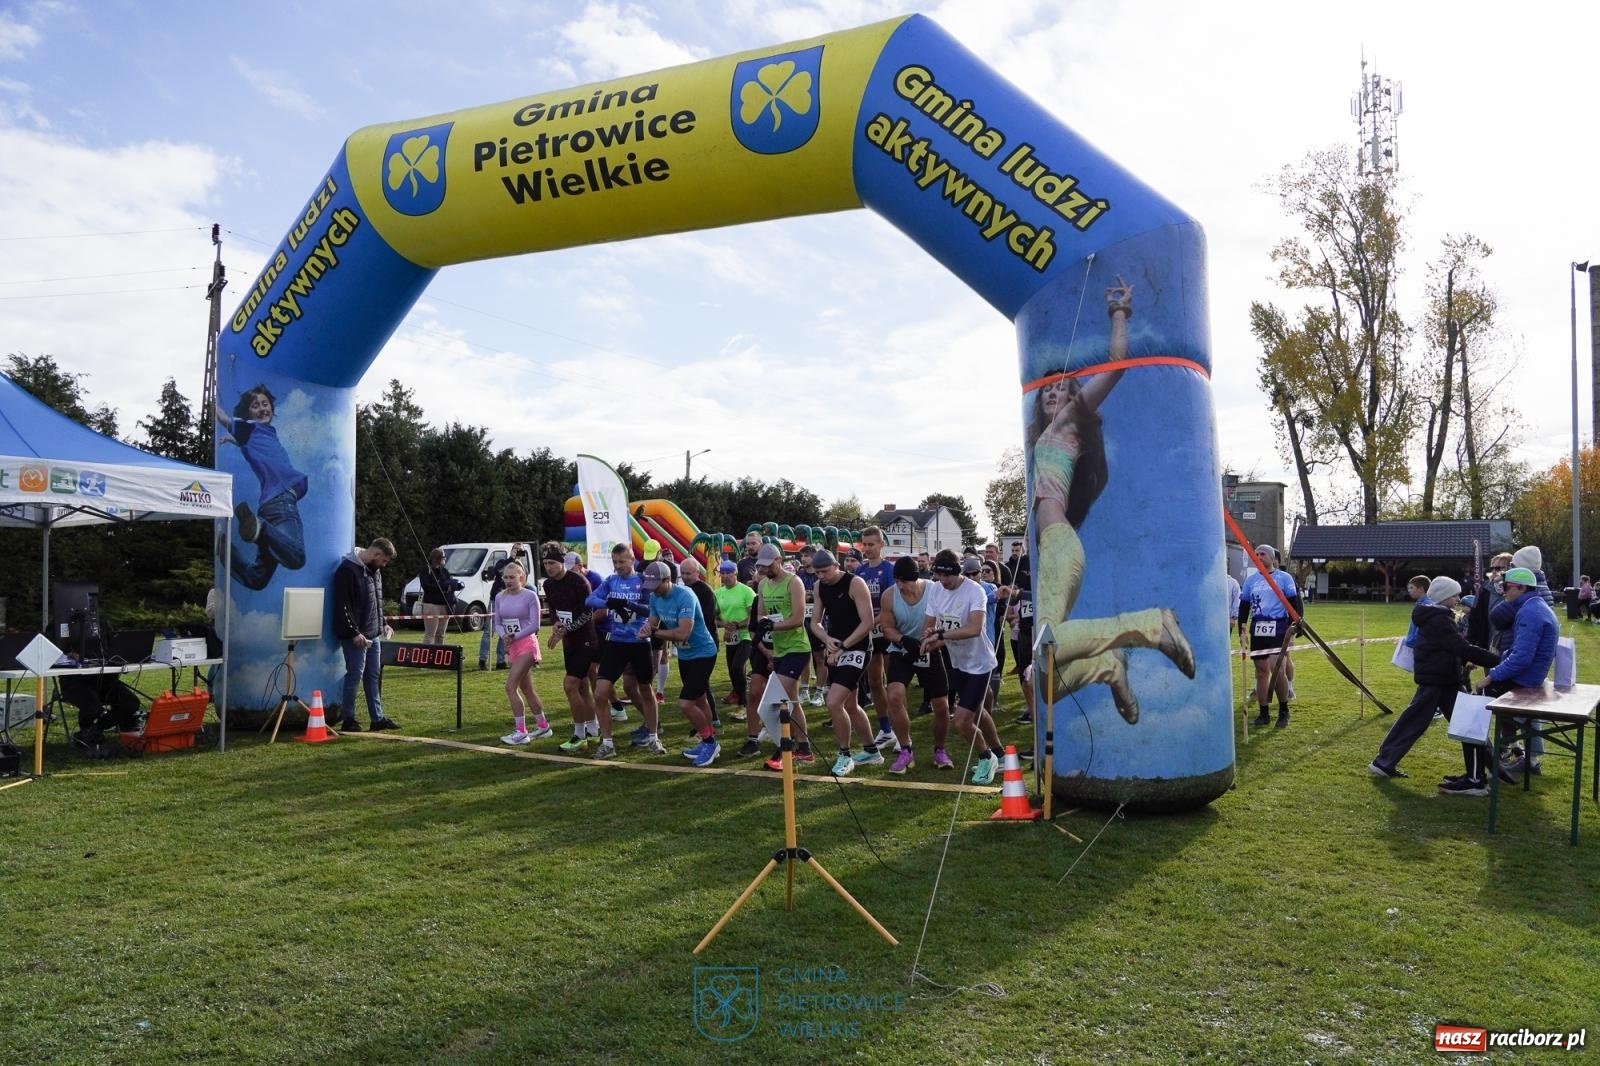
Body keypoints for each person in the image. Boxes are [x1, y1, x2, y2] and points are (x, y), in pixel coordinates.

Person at [1026, 276, 1197, 727]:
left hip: (1060, 544)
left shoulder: (1067, 426)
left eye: (1061, 389)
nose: (1051, 393)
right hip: (1055, 550)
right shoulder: (1045, 438)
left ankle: (1151, 624)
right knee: (1040, 677)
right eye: (1047, 389)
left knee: (1044, 647)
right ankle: (1109, 668)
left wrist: (1118, 312)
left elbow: (1117, 367)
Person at [1368, 577, 1498, 782]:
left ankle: (1493, 767)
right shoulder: (1439, 619)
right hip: (1437, 679)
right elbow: (1460, 647)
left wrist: (1466, 659)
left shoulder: (1438, 616)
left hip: (1443, 679)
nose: (1458, 598)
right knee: (1418, 722)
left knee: (1465, 723)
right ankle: (1383, 762)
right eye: (1454, 595)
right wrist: (1497, 660)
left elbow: (1453, 648)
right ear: (1444, 596)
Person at [922, 549, 1006, 785]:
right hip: (958, 662)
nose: (943, 580)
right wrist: (929, 637)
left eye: (947, 576)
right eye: (939, 575)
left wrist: (941, 634)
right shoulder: (936, 589)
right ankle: (1000, 755)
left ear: (958, 572)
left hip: (980, 663)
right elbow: (929, 624)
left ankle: (985, 757)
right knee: (978, 710)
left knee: (961, 720)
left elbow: (974, 628)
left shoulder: (974, 590)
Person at [217, 384, 307, 591]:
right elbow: (224, 419)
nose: (262, 409)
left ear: (272, 408)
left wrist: (236, 441)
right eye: (255, 406)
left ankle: (225, 551)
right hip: (281, 502)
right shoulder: (250, 427)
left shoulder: (261, 433)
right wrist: (216, 408)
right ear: (248, 413)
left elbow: (255, 448)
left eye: (265, 404)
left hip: (268, 506)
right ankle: (260, 528)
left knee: (257, 579)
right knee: (297, 558)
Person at [736, 543, 815, 768]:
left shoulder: (794, 582)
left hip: (798, 647)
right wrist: (763, 629)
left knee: (776, 698)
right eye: (762, 566)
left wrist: (771, 626)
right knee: (790, 699)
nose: (765, 569)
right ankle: (802, 748)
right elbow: (760, 613)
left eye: (769, 565)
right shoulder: (762, 585)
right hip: (779, 648)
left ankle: (784, 747)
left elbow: (798, 619)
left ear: (779, 560)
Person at [1481, 566, 1561, 778]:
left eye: (1506, 587)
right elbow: (1518, 652)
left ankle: (1485, 767)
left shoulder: (1529, 612)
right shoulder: (1535, 606)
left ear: (1522, 587)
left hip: (1525, 680)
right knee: (1502, 712)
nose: (1503, 591)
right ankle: (1514, 752)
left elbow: (1522, 658)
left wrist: (1491, 675)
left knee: (1477, 702)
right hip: (1532, 676)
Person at [639, 561, 721, 767]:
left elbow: (683, 633)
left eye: (656, 585)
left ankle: (710, 743)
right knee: (700, 700)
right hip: (686, 656)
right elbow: (653, 622)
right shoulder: (654, 596)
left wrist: (654, 632)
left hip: (703, 652)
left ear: (668, 580)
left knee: (686, 703)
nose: (653, 590)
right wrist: (646, 629)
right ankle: (708, 742)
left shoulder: (685, 596)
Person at [809, 548, 882, 776]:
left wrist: (844, 646)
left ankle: (844, 754)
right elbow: (815, 623)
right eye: (817, 572)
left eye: (824, 571)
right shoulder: (819, 587)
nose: (821, 576)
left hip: (858, 647)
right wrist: (827, 639)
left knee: (833, 702)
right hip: (837, 648)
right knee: (850, 704)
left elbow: (868, 622)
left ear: (836, 566)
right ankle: (872, 751)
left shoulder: (855, 583)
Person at [585, 543, 662, 758]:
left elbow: (651, 609)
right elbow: (589, 599)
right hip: (616, 643)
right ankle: (608, 743)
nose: (618, 566)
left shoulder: (643, 581)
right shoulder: (611, 581)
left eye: (622, 561)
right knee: (601, 692)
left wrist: (628, 603)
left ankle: (654, 737)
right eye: (615, 562)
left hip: (639, 643)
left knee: (645, 690)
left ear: (632, 560)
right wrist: (609, 602)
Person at [878, 554, 953, 772]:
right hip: (902, 650)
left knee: (941, 705)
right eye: (897, 581)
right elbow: (887, 628)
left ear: (916, 578)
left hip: (930, 648)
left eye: (905, 581)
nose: (900, 586)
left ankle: (939, 750)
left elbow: (946, 619)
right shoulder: (889, 596)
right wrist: (903, 640)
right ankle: (905, 749)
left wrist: (935, 639)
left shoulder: (934, 589)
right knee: (894, 696)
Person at [332, 537, 400, 732]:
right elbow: (343, 605)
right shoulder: (347, 570)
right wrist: (354, 632)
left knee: (373, 675)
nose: (384, 565)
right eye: (384, 561)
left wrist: (384, 624)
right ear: (376, 554)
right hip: (356, 636)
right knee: (355, 675)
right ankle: (348, 719)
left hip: (374, 633)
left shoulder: (374, 571)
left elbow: (375, 602)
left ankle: (377, 718)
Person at [541, 543, 600, 752]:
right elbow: (555, 609)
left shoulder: (579, 582)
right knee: (582, 686)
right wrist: (556, 623)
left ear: (562, 562)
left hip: (586, 640)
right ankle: (593, 730)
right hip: (570, 642)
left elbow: (587, 613)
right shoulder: (548, 584)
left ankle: (579, 735)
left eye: (553, 563)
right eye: (546, 563)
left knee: (570, 686)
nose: (549, 567)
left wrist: (567, 629)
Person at [1238, 545, 1300, 728]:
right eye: (1256, 554)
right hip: (1258, 627)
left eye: (1262, 554)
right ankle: (1263, 712)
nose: (1258, 557)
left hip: (1278, 626)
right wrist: (1242, 630)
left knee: (1277, 669)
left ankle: (1283, 710)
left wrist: (1293, 628)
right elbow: (1244, 606)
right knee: (1261, 671)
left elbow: (1293, 604)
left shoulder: (1284, 578)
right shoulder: (1251, 581)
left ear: (1272, 558)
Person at [494, 561, 551, 745]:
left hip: (527, 645)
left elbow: (535, 625)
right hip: (512, 647)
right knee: (527, 689)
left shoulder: (530, 596)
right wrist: (505, 636)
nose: (508, 581)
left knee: (510, 687)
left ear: (522, 578)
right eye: (506, 577)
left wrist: (515, 635)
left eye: (512, 577)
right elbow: (497, 623)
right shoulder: (500, 597)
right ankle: (543, 726)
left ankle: (521, 732)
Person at [854, 527, 896, 748]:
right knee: (874, 682)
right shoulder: (859, 572)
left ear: (881, 545)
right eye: (865, 544)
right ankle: (886, 728)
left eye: (872, 544)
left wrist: (874, 621)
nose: (868, 548)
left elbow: (891, 602)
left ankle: (899, 729)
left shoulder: (889, 569)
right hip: (869, 632)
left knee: (894, 682)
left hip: (886, 630)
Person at [677, 557, 722, 731]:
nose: (685, 577)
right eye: (683, 573)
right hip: (688, 645)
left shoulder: (705, 591)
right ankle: (705, 721)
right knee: (698, 687)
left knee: (701, 685)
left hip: (705, 643)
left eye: (688, 573)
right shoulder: (682, 590)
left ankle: (712, 720)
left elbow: (706, 619)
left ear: (698, 573)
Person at [713, 559, 756, 715]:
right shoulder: (717, 593)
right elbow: (714, 619)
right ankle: (741, 698)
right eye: (722, 573)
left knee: (738, 667)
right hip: (730, 637)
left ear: (735, 573)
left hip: (746, 635)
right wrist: (725, 625)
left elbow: (754, 616)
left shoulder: (746, 591)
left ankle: (744, 704)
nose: (724, 576)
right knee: (733, 671)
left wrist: (737, 625)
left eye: (728, 573)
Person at [479, 543, 529, 670]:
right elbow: (499, 572)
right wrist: (511, 559)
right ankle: (482, 660)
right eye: (515, 550)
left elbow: (524, 581)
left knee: (506, 631)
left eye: (520, 551)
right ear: (511, 551)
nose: (518, 552)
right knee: (488, 631)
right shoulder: (502, 562)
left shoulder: (521, 566)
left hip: (511, 600)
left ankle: (501, 661)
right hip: (496, 599)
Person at [417, 547, 463, 646]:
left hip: (445, 605)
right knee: (430, 634)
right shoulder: (426, 570)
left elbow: (450, 582)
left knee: (440, 634)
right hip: (431, 605)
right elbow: (426, 587)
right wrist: (442, 587)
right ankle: (427, 657)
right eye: (444, 557)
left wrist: (455, 585)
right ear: (437, 558)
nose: (445, 559)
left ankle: (438, 656)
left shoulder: (444, 571)